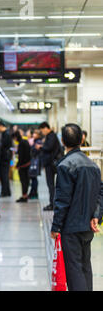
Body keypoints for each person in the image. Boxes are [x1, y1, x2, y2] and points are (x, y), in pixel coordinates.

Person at [50, 123, 103, 291]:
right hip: (88, 226)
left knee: (74, 269)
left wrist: (56, 226)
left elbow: (62, 200)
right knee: (85, 266)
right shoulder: (93, 166)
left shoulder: (65, 166)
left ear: (63, 142)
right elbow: (100, 193)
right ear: (82, 139)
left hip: (71, 227)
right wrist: (96, 215)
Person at [36, 122, 62, 211]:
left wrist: (40, 147)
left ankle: (53, 204)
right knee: (51, 185)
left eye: (42, 130)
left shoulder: (51, 136)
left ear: (46, 128)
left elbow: (49, 148)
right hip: (51, 163)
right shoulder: (51, 136)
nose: (42, 132)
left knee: (51, 185)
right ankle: (53, 203)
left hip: (51, 164)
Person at [12, 131, 31, 203]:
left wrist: (18, 165)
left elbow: (21, 156)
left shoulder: (21, 144)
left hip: (23, 166)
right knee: (26, 181)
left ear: (15, 137)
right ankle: (25, 195)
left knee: (23, 181)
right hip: (27, 164)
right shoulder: (25, 141)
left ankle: (24, 196)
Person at [0, 121, 12, 197]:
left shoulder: (6, 134)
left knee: (4, 175)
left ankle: (4, 192)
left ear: (1, 126)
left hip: (4, 158)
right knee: (4, 175)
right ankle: (7, 192)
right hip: (5, 157)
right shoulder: (5, 133)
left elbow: (3, 146)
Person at [28, 130, 42, 200]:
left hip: (35, 162)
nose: (33, 134)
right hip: (35, 161)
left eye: (35, 133)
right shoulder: (35, 141)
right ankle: (33, 193)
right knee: (33, 178)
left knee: (34, 178)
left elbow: (35, 150)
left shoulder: (38, 142)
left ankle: (34, 193)